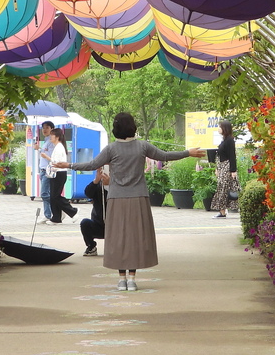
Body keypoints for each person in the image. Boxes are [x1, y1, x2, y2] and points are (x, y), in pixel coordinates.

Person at [52, 112, 204, 292]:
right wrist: (188, 152)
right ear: (133, 126)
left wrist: (68, 165)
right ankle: (132, 279)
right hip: (138, 198)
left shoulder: (111, 149)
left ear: (116, 128)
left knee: (118, 238)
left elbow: (92, 165)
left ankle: (121, 279)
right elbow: (165, 156)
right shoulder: (142, 146)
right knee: (135, 237)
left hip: (117, 199)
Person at [42, 127, 79, 224]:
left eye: (52, 135)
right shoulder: (58, 146)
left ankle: (73, 211)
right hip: (56, 173)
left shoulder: (59, 147)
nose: (50, 137)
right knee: (53, 196)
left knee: (55, 196)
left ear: (57, 137)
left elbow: (56, 162)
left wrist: (46, 157)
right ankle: (56, 218)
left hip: (59, 173)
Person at [212, 119, 238, 218]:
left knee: (223, 188)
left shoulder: (230, 140)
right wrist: (217, 168)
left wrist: (233, 170)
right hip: (222, 166)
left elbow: (232, 156)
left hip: (226, 167)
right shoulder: (224, 140)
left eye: (220, 127)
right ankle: (222, 211)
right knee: (221, 188)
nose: (218, 129)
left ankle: (223, 210)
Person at [80, 166, 108, 256]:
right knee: (85, 223)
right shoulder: (98, 185)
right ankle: (91, 246)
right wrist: (96, 180)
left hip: (115, 226)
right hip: (98, 223)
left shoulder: (119, 184)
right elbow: (88, 193)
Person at [33, 120, 56, 220]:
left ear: (52, 129)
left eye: (47, 127)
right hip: (42, 170)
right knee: (47, 193)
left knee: (44, 193)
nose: (45, 130)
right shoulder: (46, 141)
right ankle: (51, 213)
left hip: (48, 170)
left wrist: (39, 149)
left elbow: (50, 156)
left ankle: (52, 212)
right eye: (43, 128)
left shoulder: (51, 142)